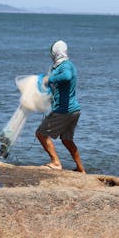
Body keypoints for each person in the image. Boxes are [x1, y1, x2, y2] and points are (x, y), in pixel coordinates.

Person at [35, 40, 86, 173]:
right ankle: (81, 169)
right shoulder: (65, 64)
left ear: (55, 52)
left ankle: (56, 162)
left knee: (41, 133)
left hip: (64, 111)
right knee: (67, 140)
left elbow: (67, 76)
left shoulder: (65, 66)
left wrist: (49, 79)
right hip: (74, 110)